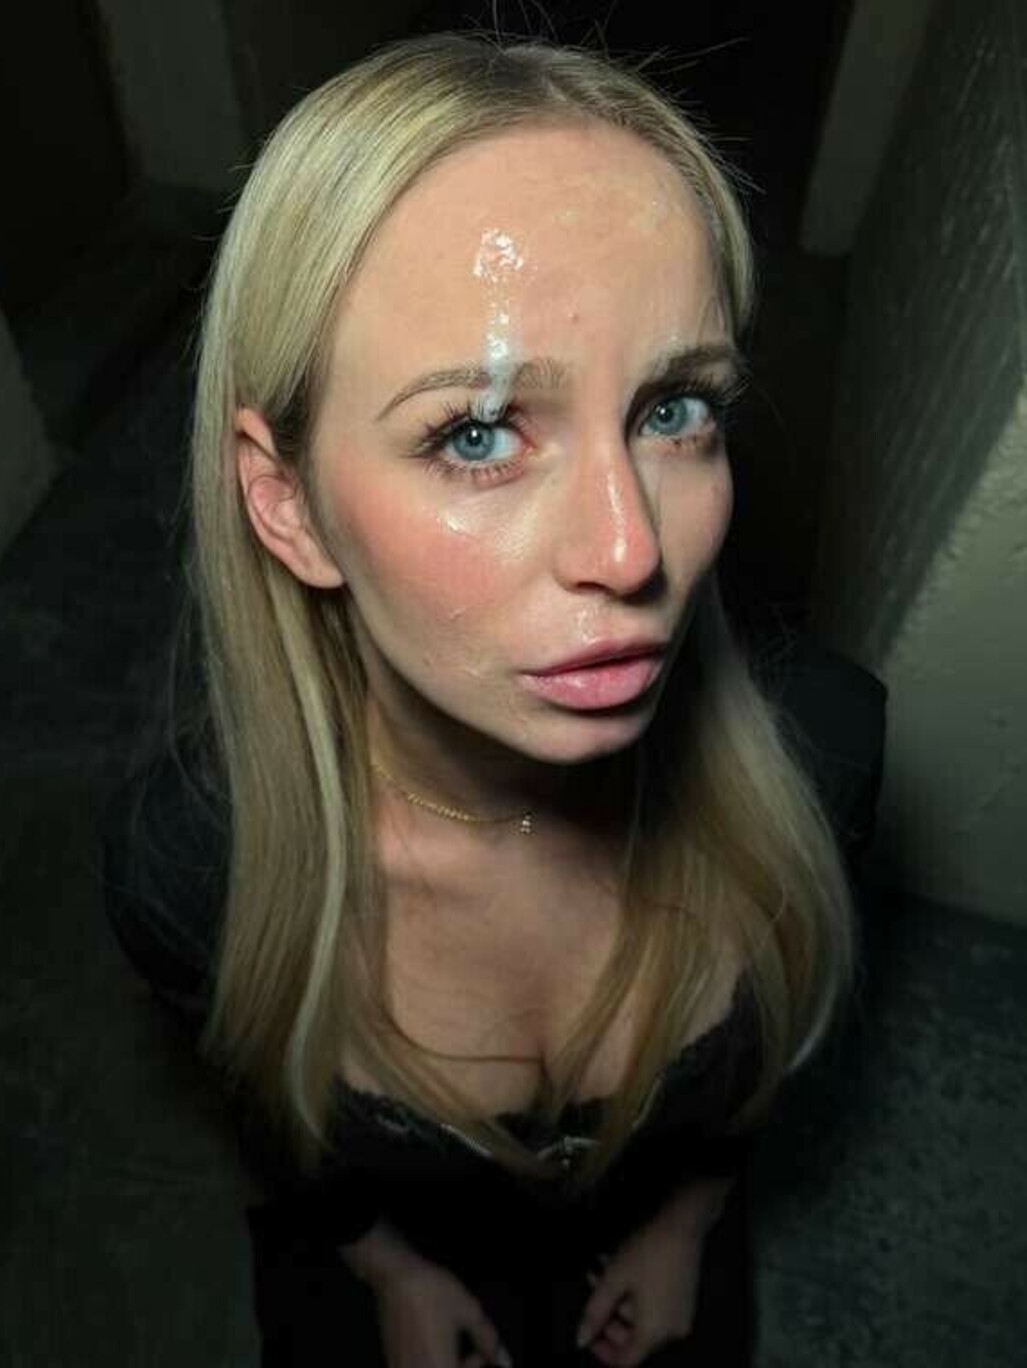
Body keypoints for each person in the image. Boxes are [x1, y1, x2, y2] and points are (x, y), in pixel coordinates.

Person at [100, 31, 870, 1368]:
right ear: (287, 505)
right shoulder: (192, 862)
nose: (630, 551)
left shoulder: (826, 745)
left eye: (675, 409)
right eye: (477, 433)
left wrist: (685, 1222)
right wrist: (387, 1268)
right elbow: (270, 1120)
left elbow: (754, 1085)